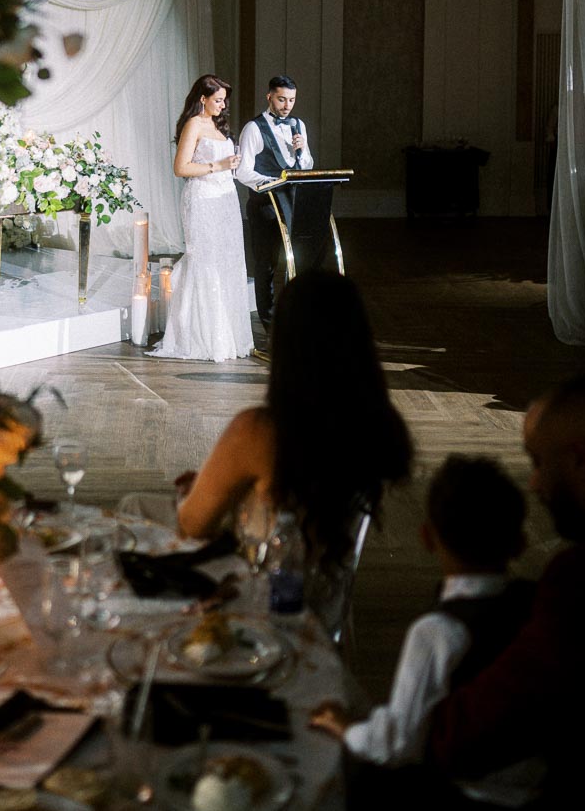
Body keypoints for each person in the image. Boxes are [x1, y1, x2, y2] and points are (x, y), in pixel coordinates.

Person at [176, 271, 412, 634]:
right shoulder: (379, 427)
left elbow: (192, 526)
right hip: (326, 603)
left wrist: (202, 494)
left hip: (259, 607)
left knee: (134, 511)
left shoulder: (260, 431)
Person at [310, 455, 544, 809]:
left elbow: (400, 742)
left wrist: (349, 729)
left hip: (460, 793)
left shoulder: (437, 632)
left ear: (426, 537)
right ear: (520, 543)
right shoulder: (537, 604)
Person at [430, 374, 585, 808]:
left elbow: (468, 733)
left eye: (539, 462)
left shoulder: (579, 583)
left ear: (582, 462)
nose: (534, 484)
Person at [151, 74, 253, 363]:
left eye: (224, 101)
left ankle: (229, 335)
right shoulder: (194, 124)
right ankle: (201, 337)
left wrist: (231, 165)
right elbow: (180, 167)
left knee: (227, 260)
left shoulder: (217, 126)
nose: (222, 106)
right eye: (218, 100)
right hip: (202, 199)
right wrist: (216, 165)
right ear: (202, 99)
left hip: (226, 200)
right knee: (205, 260)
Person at [236, 75, 314, 329]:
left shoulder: (298, 125)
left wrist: (301, 152)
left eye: (291, 100)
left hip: (293, 204)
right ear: (269, 96)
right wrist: (273, 182)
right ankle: (268, 319)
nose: (287, 105)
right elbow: (243, 171)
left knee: (295, 259)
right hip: (265, 206)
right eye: (281, 99)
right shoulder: (253, 128)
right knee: (266, 263)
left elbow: (306, 166)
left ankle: (292, 313)